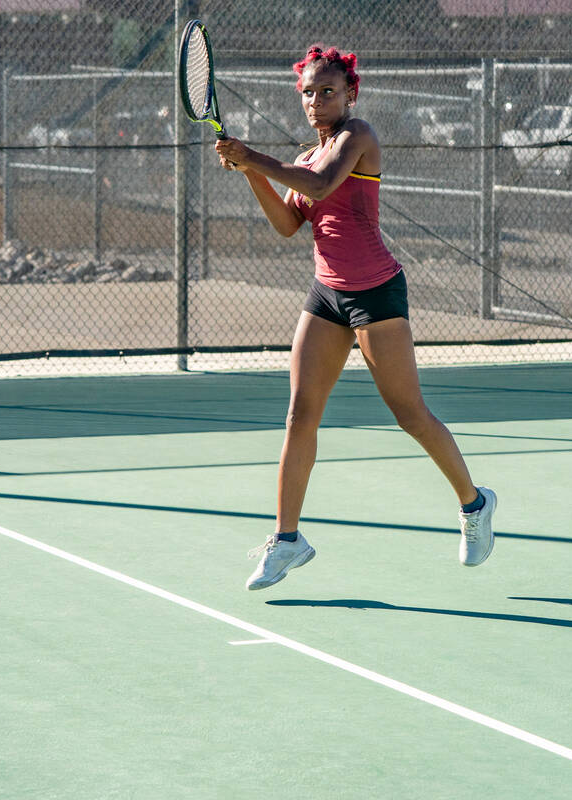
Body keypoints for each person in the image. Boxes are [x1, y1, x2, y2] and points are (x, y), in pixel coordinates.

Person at [214, 45, 497, 591]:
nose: (317, 102)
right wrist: (251, 172)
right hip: (327, 295)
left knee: (409, 414)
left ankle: (475, 503)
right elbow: (287, 225)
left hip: (376, 294)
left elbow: (320, 188)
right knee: (300, 414)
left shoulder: (357, 137)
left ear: (350, 94)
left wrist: (253, 157)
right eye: (308, 94)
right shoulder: (309, 152)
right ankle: (288, 541)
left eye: (328, 92)